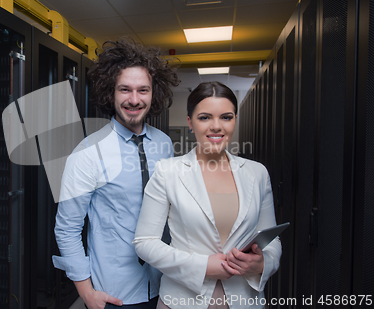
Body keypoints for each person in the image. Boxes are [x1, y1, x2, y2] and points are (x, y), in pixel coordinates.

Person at [53, 38, 180, 309]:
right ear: (110, 92)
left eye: (143, 90)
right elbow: (67, 229)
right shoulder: (87, 153)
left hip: (165, 286)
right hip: (114, 295)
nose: (134, 99)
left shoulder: (164, 144)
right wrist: (87, 293)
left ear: (153, 93)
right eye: (125, 89)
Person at [133, 82, 282, 309]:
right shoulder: (168, 171)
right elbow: (145, 242)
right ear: (190, 122)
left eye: (226, 117)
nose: (216, 126)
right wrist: (202, 266)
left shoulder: (257, 173)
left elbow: (272, 241)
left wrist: (262, 264)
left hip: (245, 301)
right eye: (204, 118)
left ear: (234, 120)